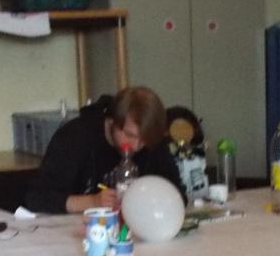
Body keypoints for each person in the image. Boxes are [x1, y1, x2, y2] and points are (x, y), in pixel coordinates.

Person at [23, 86, 185, 214]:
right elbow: (37, 197)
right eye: (130, 135)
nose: (136, 146)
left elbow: (177, 195)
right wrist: (92, 202)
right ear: (111, 122)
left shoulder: (152, 141)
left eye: (143, 140)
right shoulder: (76, 137)